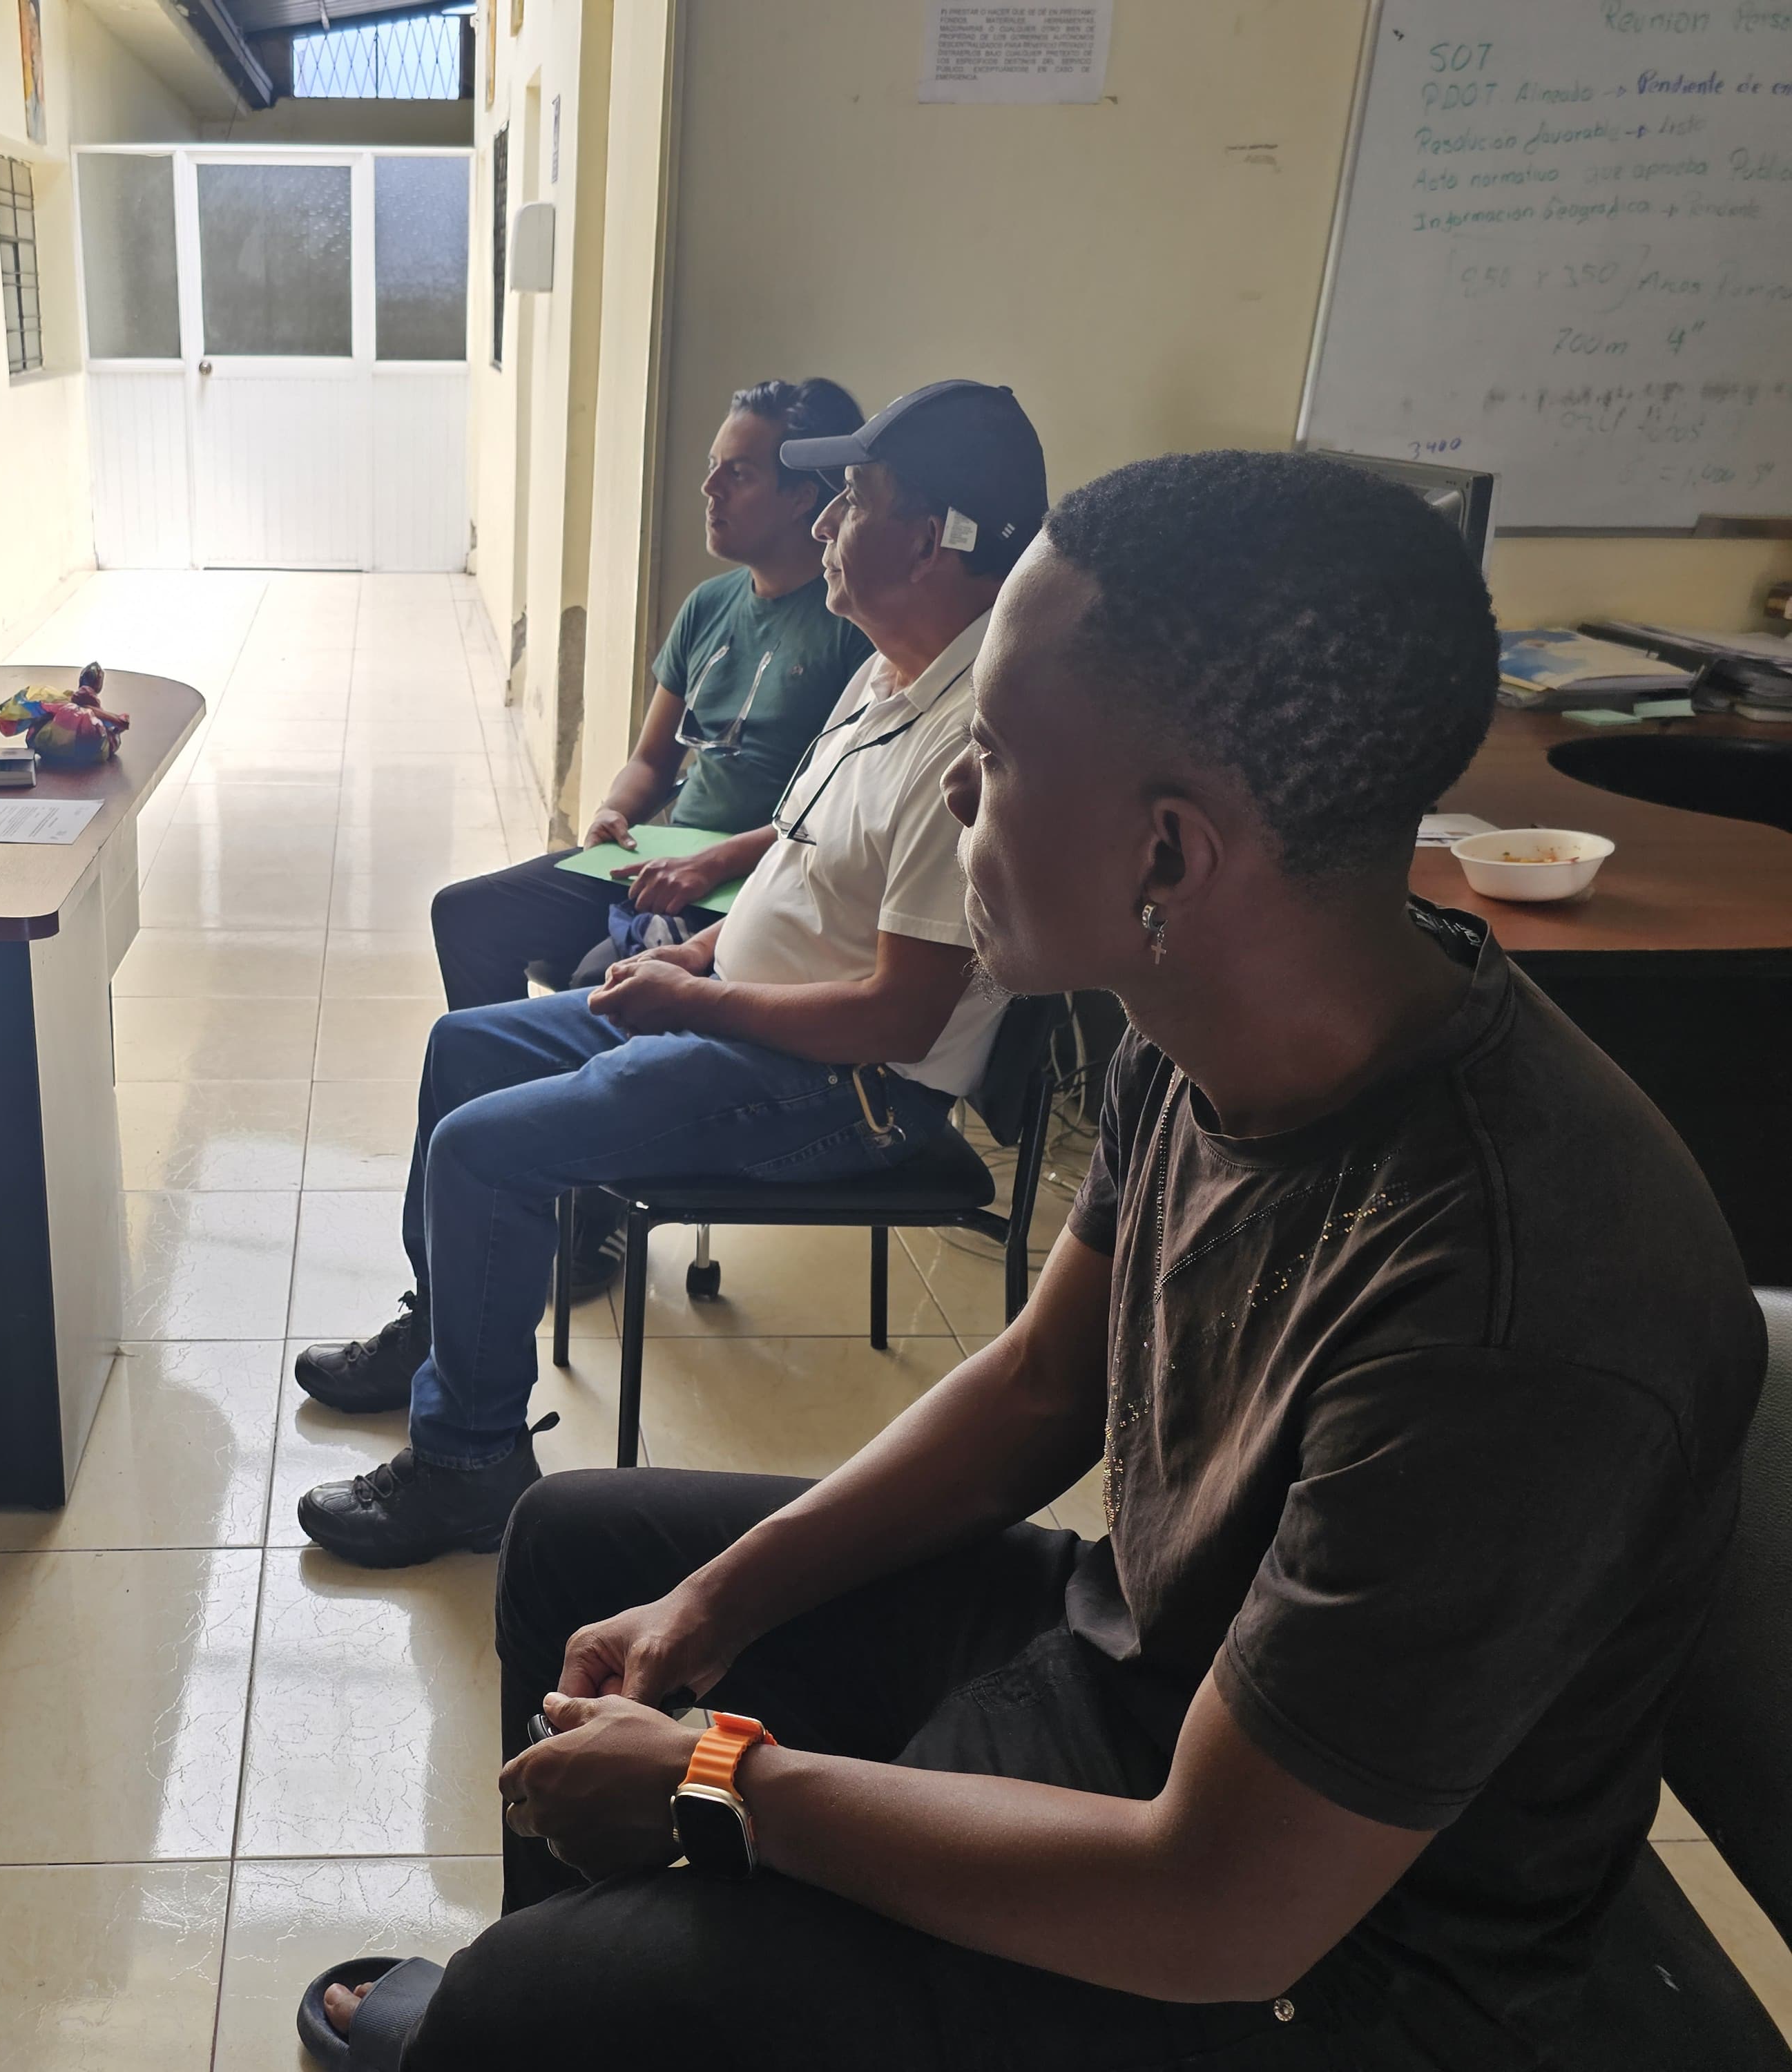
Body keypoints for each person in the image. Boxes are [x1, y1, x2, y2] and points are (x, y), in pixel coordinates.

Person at [296, 450, 1766, 2072]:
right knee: (589, 1557)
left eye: (991, 758)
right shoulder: (1206, 1029)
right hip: (1141, 1676)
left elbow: (1221, 1908)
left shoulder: (1508, 1307)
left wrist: (720, 1783)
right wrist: (714, 1604)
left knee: (544, 1997)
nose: (953, 800)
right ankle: (579, 1987)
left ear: (1165, 857)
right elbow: (1039, 1383)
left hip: (1328, 1961)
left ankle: (542, 2008)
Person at [291, 382, 1049, 1571]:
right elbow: (800, 857)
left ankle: (469, 1464)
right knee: (464, 1049)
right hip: (750, 1021)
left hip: (846, 1091)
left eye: (854, 499)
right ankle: (448, 1334)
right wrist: (696, 951)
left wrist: (695, 997)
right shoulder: (888, 677)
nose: (825, 522)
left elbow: (900, 1017)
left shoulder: (974, 740)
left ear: (936, 538)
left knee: (482, 1150)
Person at [428, 379, 874, 1014]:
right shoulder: (709, 605)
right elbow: (652, 760)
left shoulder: (852, 628)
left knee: (599, 991)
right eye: (713, 466)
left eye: (739, 474)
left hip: (757, 881)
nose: (710, 488)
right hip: (665, 863)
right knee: (467, 915)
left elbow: (834, 819)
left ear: (802, 496)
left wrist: (715, 862)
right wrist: (615, 811)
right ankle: (490, 1070)